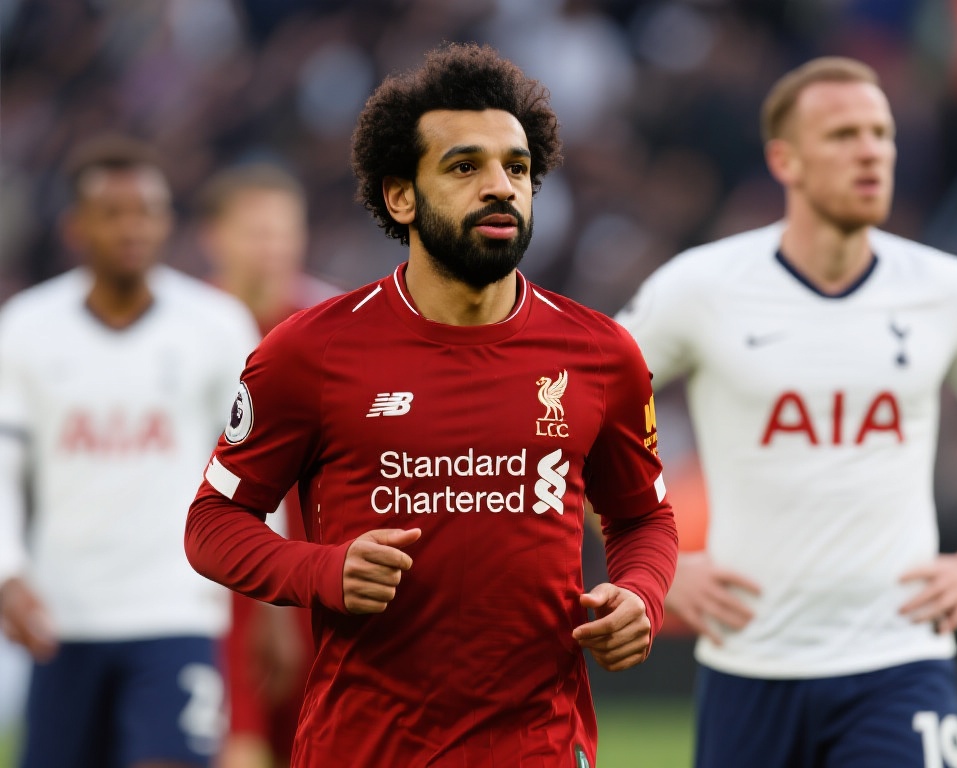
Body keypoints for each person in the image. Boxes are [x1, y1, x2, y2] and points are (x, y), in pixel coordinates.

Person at [184, 42, 678, 768]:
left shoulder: (602, 354)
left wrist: (639, 595)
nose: (500, 187)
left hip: (536, 746)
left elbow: (643, 517)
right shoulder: (311, 350)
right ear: (400, 196)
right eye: (464, 167)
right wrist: (321, 571)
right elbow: (212, 523)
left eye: (517, 168)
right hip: (363, 748)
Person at [616, 56, 957, 767]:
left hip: (900, 658)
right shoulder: (700, 287)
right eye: (842, 135)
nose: (871, 152)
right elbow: (578, 420)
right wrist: (651, 569)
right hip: (748, 664)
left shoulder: (947, 290)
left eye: (881, 134)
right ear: (786, 160)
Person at [0, 134, 261, 768]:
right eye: (112, 213)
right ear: (75, 227)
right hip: (64, 615)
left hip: (177, 608)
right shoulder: (28, 326)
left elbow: (253, 465)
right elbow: (4, 465)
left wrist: (267, 599)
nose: (131, 228)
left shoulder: (216, 325)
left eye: (147, 212)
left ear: (168, 222)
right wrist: (7, 572)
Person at [196, 163, 337, 768]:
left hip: (317, 567)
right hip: (216, 575)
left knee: (319, 742)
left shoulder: (332, 324)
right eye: (257, 232)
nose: (272, 247)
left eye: (283, 231)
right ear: (215, 238)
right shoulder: (188, 328)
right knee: (236, 741)